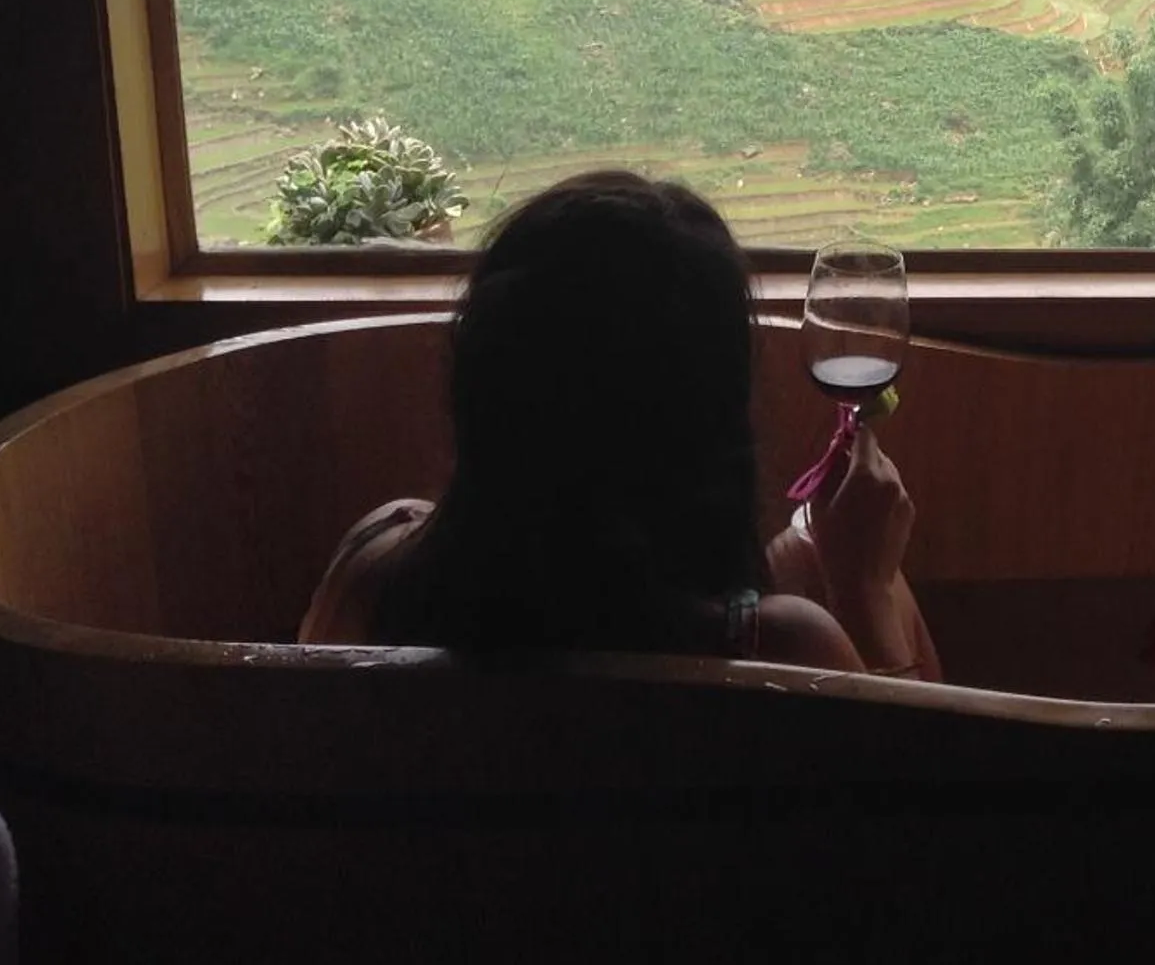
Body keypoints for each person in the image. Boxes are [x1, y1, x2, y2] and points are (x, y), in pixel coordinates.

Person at [298, 171, 939, 678]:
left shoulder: (372, 578)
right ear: (708, 419)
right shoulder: (780, 646)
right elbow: (928, 795)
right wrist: (866, 590)